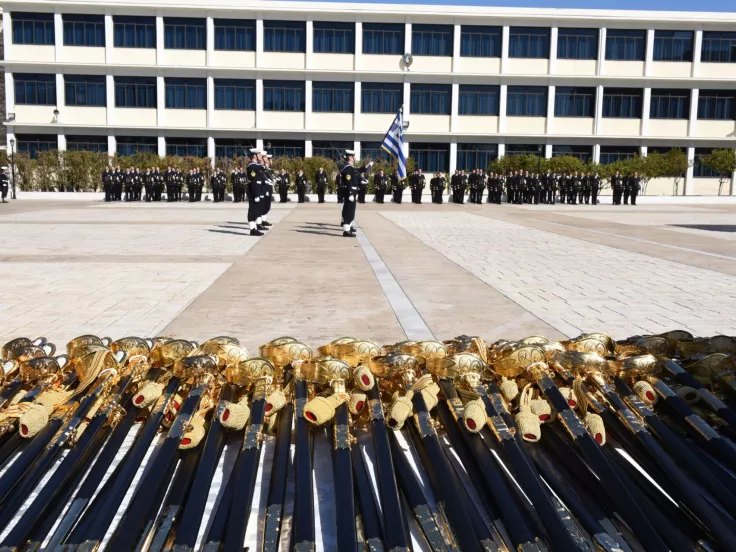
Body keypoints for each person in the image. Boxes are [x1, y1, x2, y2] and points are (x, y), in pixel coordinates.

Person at [341, 150, 372, 237]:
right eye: (354, 157)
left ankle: (349, 227)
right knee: (348, 211)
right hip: (350, 192)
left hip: (353, 192)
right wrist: (350, 193)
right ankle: (346, 231)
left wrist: (362, 182)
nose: (355, 158)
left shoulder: (351, 169)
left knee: (351, 210)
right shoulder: (348, 169)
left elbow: (356, 178)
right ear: (350, 158)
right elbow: (349, 182)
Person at [246, 149, 266, 236]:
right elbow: (254, 181)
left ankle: (254, 228)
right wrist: (256, 194)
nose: (261, 157)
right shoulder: (251, 167)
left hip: (257, 191)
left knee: (256, 210)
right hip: (253, 191)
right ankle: (252, 229)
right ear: (255, 156)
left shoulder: (256, 166)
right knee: (252, 210)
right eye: (259, 155)